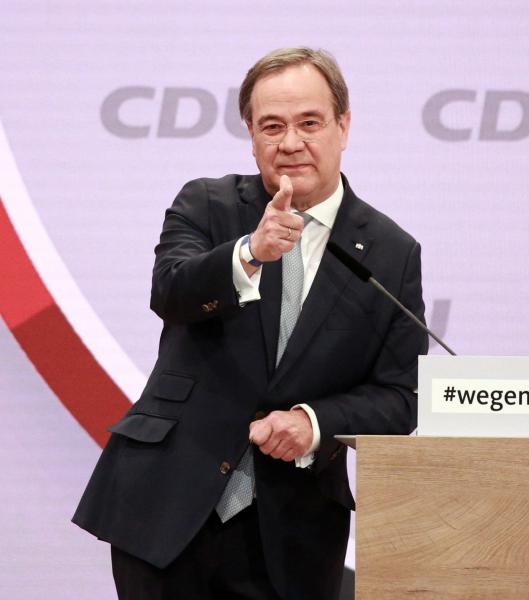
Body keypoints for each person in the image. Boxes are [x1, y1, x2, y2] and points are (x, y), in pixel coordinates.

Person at [73, 47, 426, 600]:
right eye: (272, 126)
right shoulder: (207, 204)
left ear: (344, 125)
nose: (290, 142)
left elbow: (401, 396)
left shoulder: (391, 252)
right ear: (251, 134)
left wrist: (315, 421)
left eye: (309, 122)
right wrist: (248, 253)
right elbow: (170, 290)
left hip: (293, 532)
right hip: (168, 510)